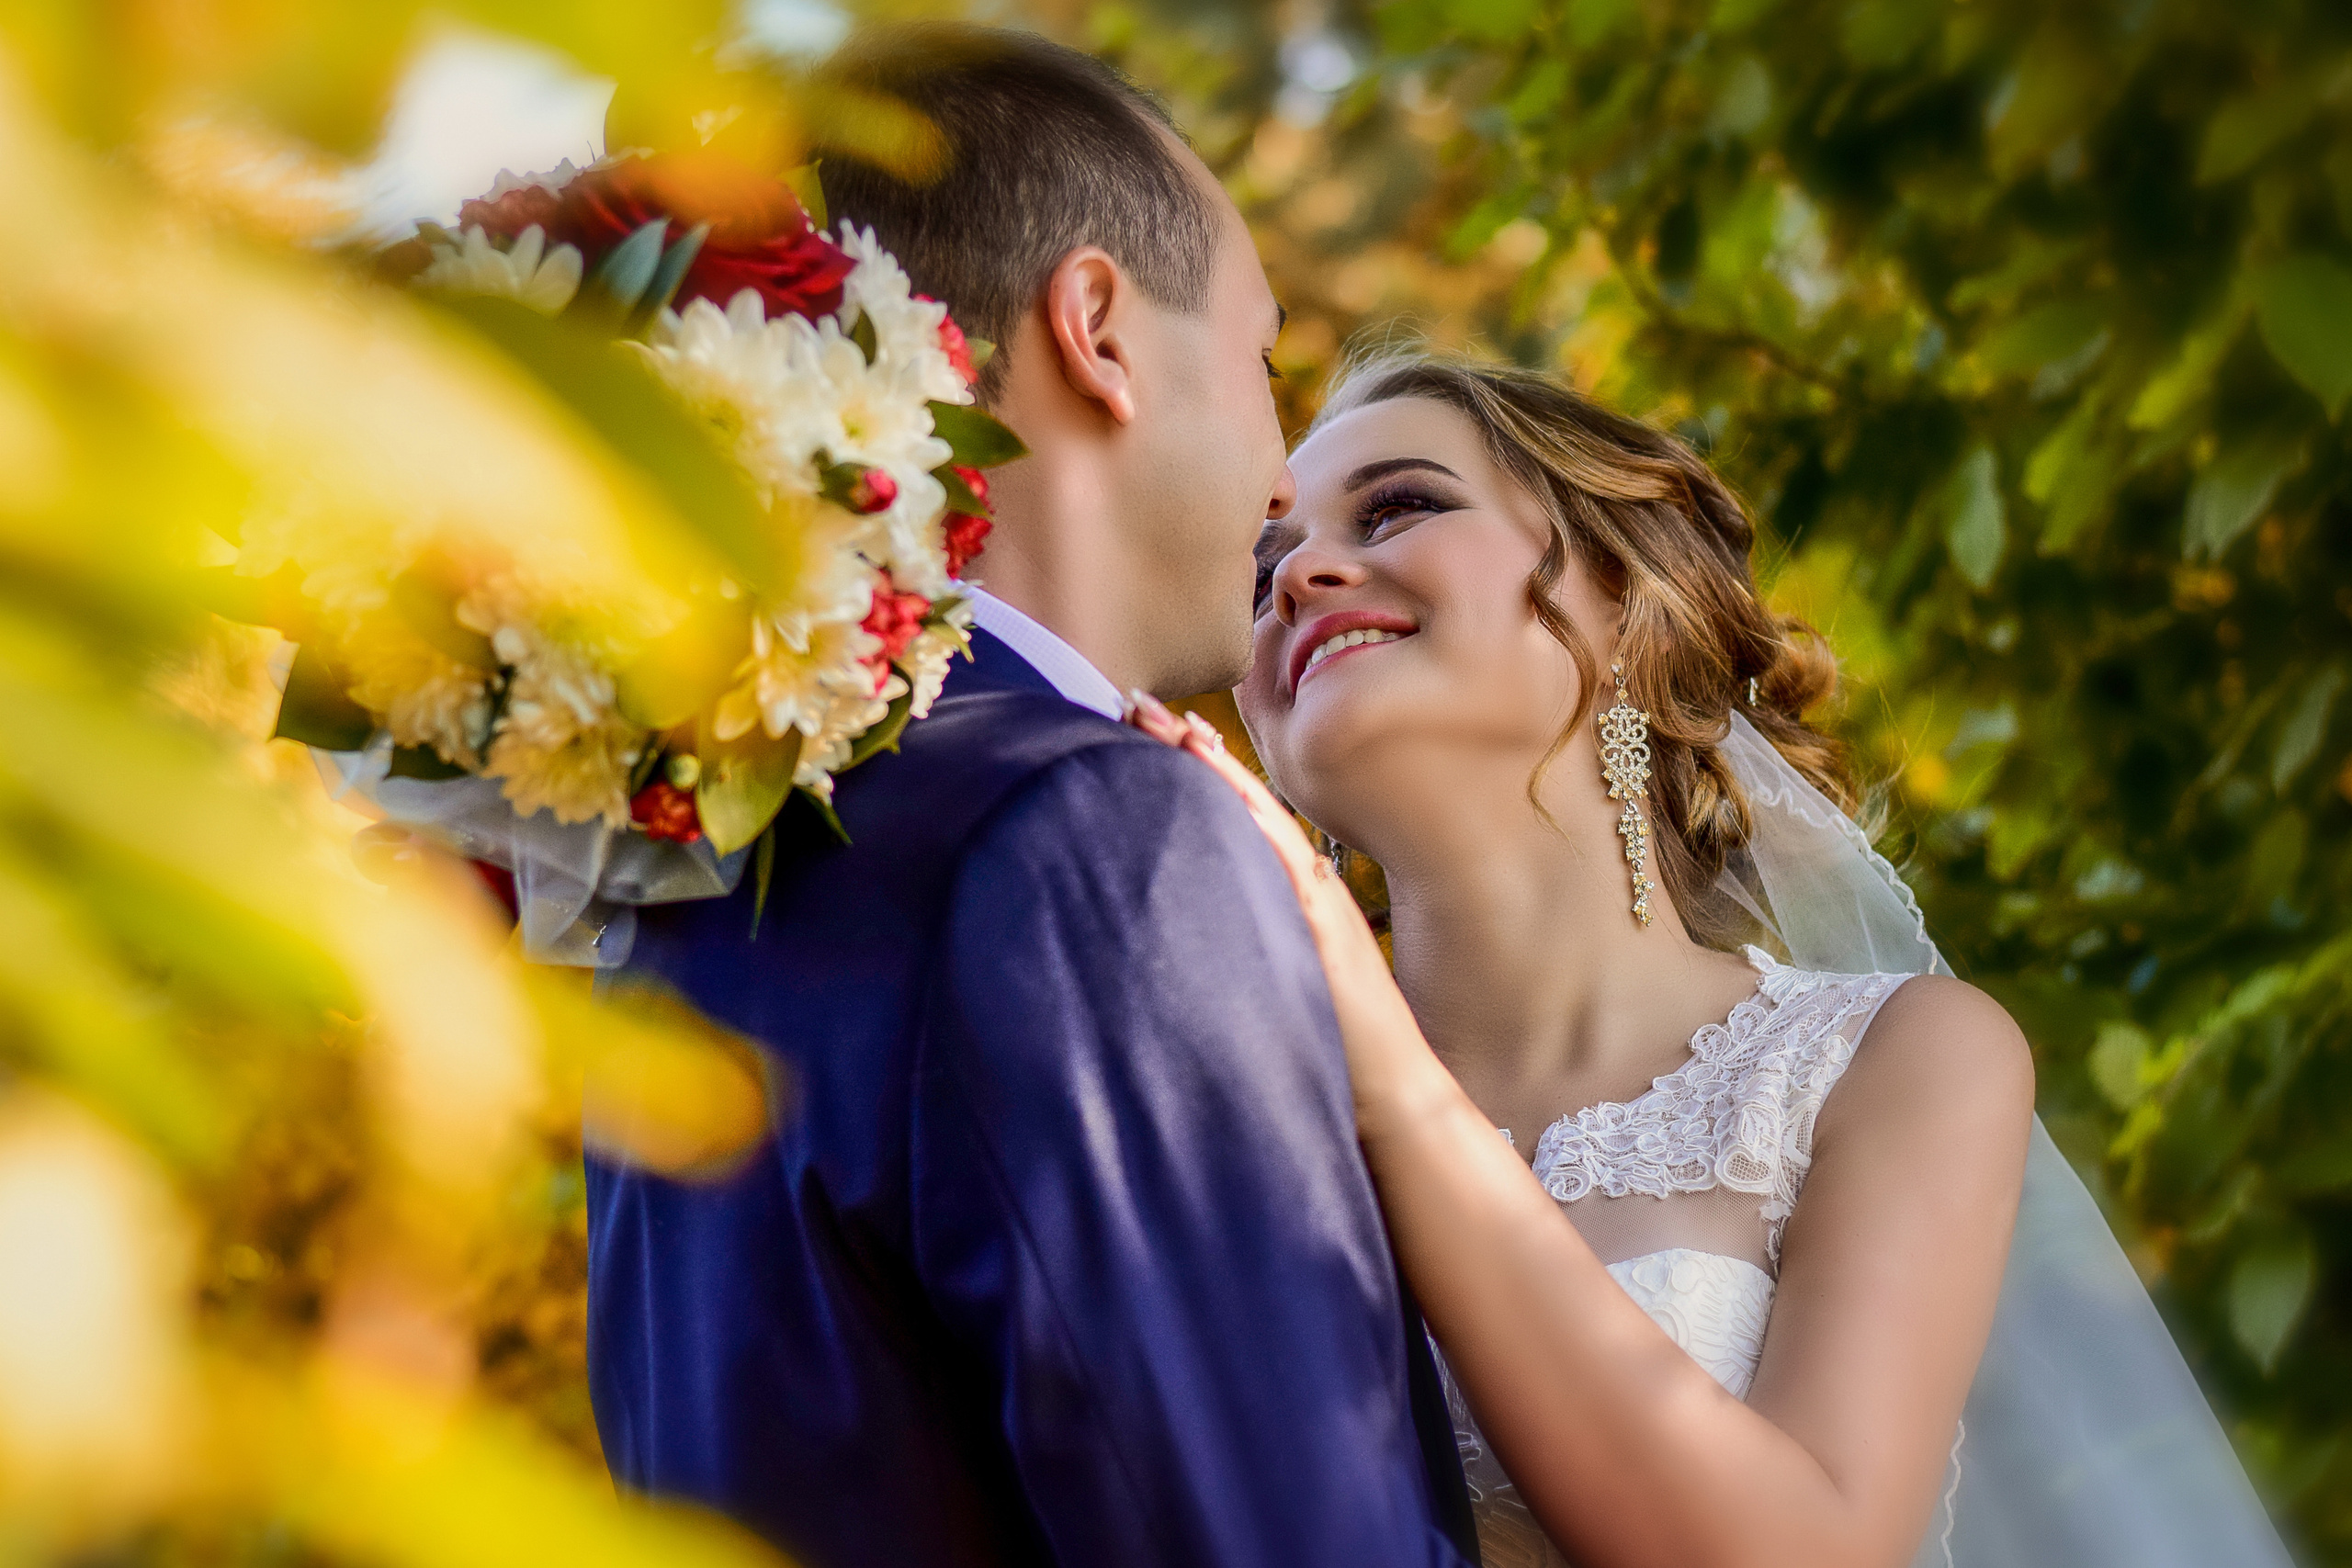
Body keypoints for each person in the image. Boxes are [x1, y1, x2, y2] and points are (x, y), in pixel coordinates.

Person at [1132, 352, 2299, 1568]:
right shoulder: (1217, 1106)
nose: (1300, 577)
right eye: (1261, 571)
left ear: (1625, 596)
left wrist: (1396, 1093)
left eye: (1402, 506)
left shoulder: (1893, 1062)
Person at [582, 28, 1479, 1568]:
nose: (1282, 490)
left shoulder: (691, 891)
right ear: (1099, 331)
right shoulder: (1094, 837)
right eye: (1261, 365)